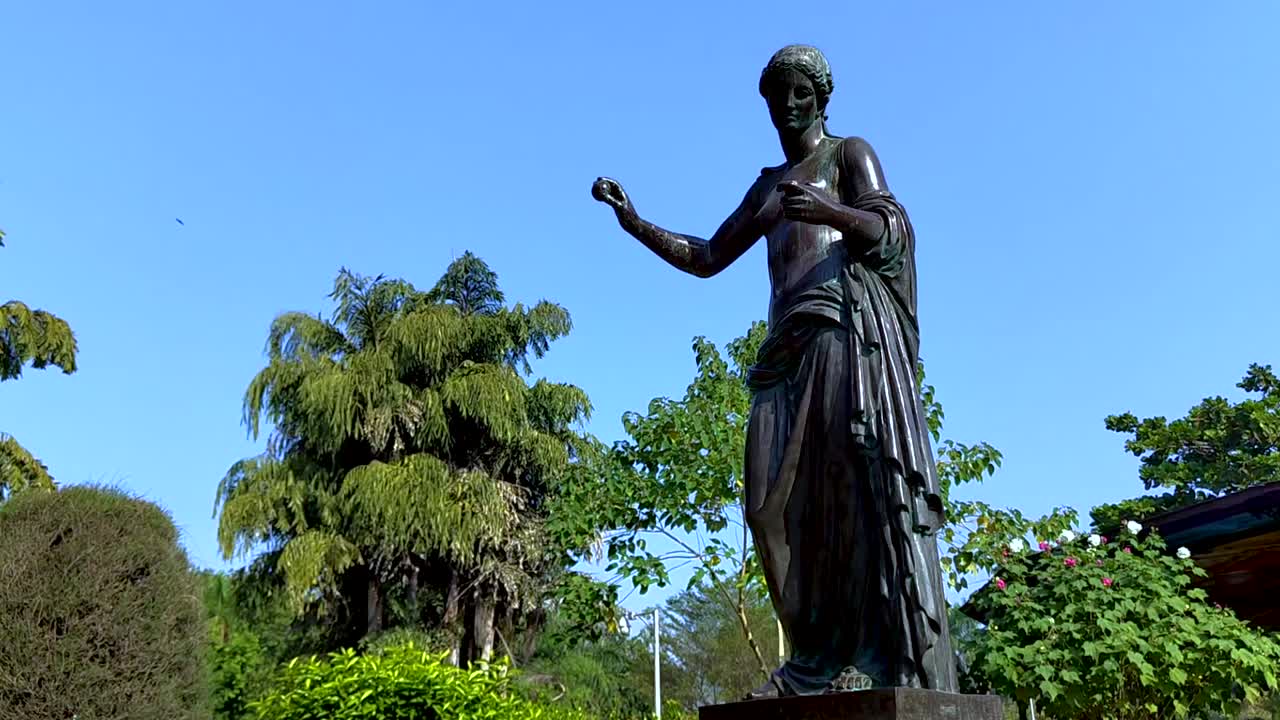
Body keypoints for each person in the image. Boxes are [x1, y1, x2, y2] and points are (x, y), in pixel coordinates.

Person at [592, 44, 957, 696]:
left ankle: (863, 659)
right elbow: (706, 255)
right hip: (784, 356)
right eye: (776, 96)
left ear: (822, 97)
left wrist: (829, 213)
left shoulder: (849, 155)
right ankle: (812, 658)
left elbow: (889, 228)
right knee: (769, 508)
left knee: (847, 499)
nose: (787, 107)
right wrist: (634, 222)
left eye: (800, 94)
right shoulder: (765, 186)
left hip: (842, 335)